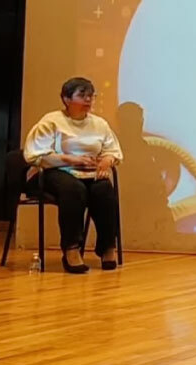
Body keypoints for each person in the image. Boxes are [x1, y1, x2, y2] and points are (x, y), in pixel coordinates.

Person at [23, 77, 123, 273]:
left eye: (91, 96)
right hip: (54, 171)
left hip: (88, 173)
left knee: (104, 189)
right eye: (82, 95)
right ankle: (71, 249)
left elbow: (112, 150)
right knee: (73, 189)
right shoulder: (51, 121)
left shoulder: (99, 124)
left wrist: (107, 160)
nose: (88, 100)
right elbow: (36, 155)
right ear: (66, 99)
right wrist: (71, 159)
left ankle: (107, 247)